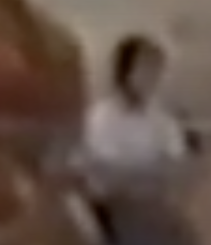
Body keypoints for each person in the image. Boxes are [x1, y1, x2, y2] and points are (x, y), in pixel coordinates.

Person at [73, 35, 199, 245]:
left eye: (155, 70)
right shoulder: (101, 118)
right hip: (116, 210)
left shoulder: (161, 118)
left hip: (156, 207)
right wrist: (154, 172)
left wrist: (143, 175)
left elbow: (180, 168)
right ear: (124, 72)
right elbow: (108, 178)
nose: (151, 78)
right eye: (144, 70)